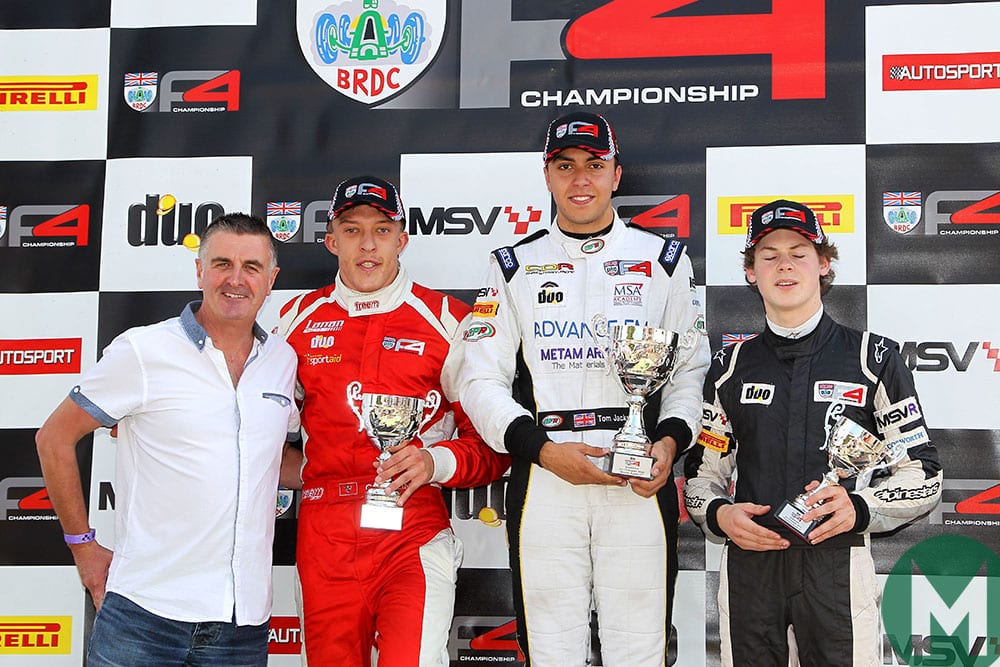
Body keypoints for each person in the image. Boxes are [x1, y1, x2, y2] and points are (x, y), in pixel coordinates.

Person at [456, 111, 710, 666]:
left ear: (616, 175)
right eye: (565, 166)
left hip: (637, 477)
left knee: (638, 650)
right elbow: (477, 378)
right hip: (548, 476)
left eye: (594, 166)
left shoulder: (664, 261)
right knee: (551, 651)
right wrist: (541, 451)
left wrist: (668, 444)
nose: (580, 180)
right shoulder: (513, 265)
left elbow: (690, 371)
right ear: (545, 175)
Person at [683, 199, 943, 666]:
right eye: (769, 255)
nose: (785, 265)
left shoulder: (874, 359)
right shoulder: (730, 368)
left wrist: (861, 507)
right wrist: (720, 516)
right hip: (751, 565)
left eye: (799, 252)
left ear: (823, 264)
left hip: (835, 564)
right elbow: (702, 477)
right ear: (750, 272)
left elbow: (922, 473)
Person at [35, 213, 299, 666]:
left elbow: (272, 462)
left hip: (243, 625)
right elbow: (53, 438)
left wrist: (356, 471)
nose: (236, 280)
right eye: (222, 264)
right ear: (199, 270)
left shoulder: (282, 359)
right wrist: (83, 547)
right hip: (144, 616)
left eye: (251, 267)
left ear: (271, 279)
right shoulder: (143, 350)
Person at [277, 175, 510, 666]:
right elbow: (253, 424)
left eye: (382, 230)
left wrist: (433, 462)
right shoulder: (294, 319)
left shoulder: (450, 318)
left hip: (413, 528)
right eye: (352, 229)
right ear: (330, 239)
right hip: (324, 533)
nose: (367, 244)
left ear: (402, 239)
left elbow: (494, 444)